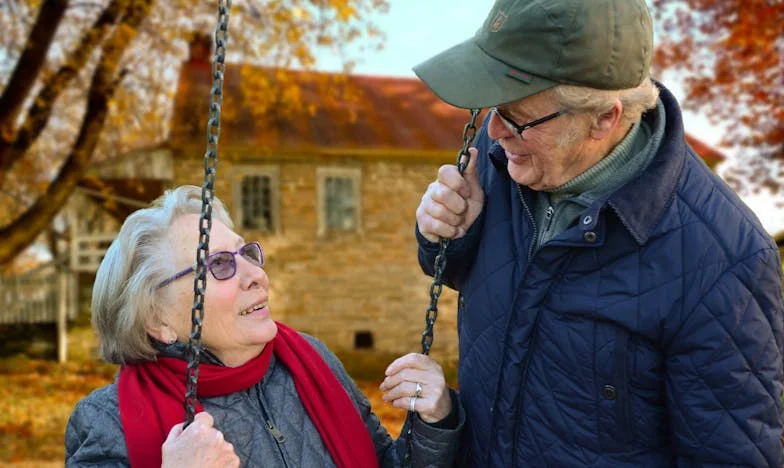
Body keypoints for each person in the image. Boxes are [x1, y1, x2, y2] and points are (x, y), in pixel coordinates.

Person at [413, 0, 784, 466]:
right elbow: (474, 276)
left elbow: (730, 455)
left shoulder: (725, 259)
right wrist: (446, 235)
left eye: (516, 116)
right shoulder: (504, 158)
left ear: (604, 119)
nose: (495, 130)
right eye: (490, 108)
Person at [65, 185, 463, 467]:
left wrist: (434, 422)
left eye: (246, 253)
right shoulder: (107, 420)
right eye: (219, 264)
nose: (254, 273)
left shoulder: (310, 362)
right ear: (158, 319)